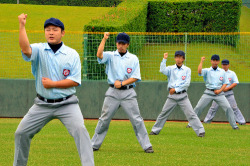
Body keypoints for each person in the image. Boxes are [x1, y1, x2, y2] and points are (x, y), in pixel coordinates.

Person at [14, 13, 94, 166]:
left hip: (67, 104)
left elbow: (75, 81)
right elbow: (25, 50)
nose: (50, 32)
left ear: (62, 33)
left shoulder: (72, 54)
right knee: (21, 133)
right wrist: (22, 25)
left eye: (55, 29)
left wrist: (53, 84)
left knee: (81, 131)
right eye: (48, 29)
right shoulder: (39, 49)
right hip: (42, 104)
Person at [91, 32, 154, 153]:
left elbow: (136, 77)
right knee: (104, 119)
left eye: (123, 44)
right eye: (119, 43)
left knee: (137, 119)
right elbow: (99, 55)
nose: (121, 46)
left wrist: (122, 83)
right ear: (116, 43)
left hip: (128, 92)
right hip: (112, 92)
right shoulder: (110, 55)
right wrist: (104, 39)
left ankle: (147, 145)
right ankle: (94, 144)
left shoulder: (133, 58)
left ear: (127, 45)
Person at [149, 51, 205, 137]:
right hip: (172, 97)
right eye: (176, 57)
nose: (178, 59)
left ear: (183, 59)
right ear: (175, 58)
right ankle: (155, 130)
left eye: (180, 57)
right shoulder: (170, 68)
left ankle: (200, 131)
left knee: (191, 114)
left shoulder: (187, 70)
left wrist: (175, 89)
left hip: (182, 96)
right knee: (163, 113)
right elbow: (162, 70)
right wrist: (164, 59)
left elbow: (187, 83)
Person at [187, 55, 239, 130]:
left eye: (216, 60)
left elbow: (225, 83)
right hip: (208, 92)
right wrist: (201, 61)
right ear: (211, 61)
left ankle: (235, 126)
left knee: (228, 108)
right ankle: (190, 124)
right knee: (198, 107)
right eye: (213, 60)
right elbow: (199, 71)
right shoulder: (207, 70)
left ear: (218, 62)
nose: (215, 62)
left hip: (219, 93)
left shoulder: (222, 71)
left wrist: (220, 90)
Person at [203, 59, 246, 125]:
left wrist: (227, 88)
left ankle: (242, 122)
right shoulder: (218, 72)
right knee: (213, 108)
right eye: (223, 64)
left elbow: (235, 82)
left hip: (229, 93)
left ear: (228, 65)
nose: (224, 66)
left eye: (226, 65)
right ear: (221, 65)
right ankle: (207, 121)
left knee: (234, 107)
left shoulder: (232, 73)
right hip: (219, 93)